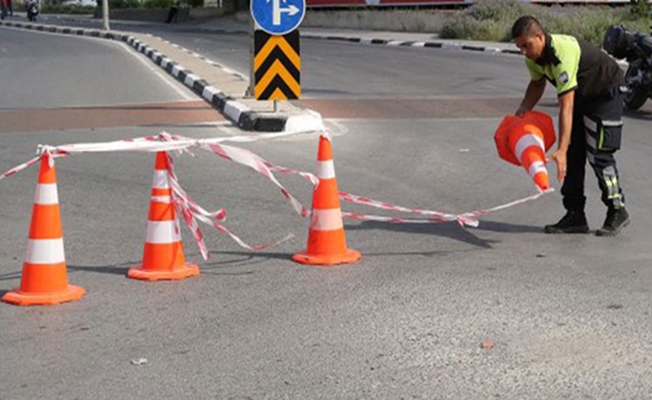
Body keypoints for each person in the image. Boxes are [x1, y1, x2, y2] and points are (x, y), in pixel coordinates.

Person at [512, 16, 630, 236]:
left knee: (599, 154)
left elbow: (566, 107)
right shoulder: (533, 57)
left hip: (606, 91)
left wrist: (561, 149)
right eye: (519, 47)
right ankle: (575, 216)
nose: (523, 52)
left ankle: (617, 209)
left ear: (540, 37)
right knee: (573, 155)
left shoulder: (562, 52)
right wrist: (522, 112)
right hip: (582, 95)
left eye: (526, 45)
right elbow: (537, 84)